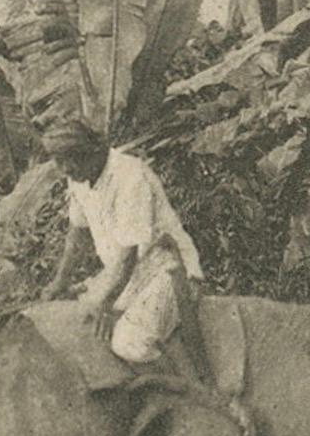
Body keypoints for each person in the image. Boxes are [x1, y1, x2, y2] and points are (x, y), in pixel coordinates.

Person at [45, 118, 217, 386]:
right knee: (80, 318)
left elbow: (129, 254)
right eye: (59, 161)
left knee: (129, 343)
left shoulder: (130, 177)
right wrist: (60, 281)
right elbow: (77, 233)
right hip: (130, 271)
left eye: (71, 160)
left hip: (165, 266)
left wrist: (106, 301)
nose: (65, 169)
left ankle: (190, 395)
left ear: (90, 152)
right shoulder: (79, 179)